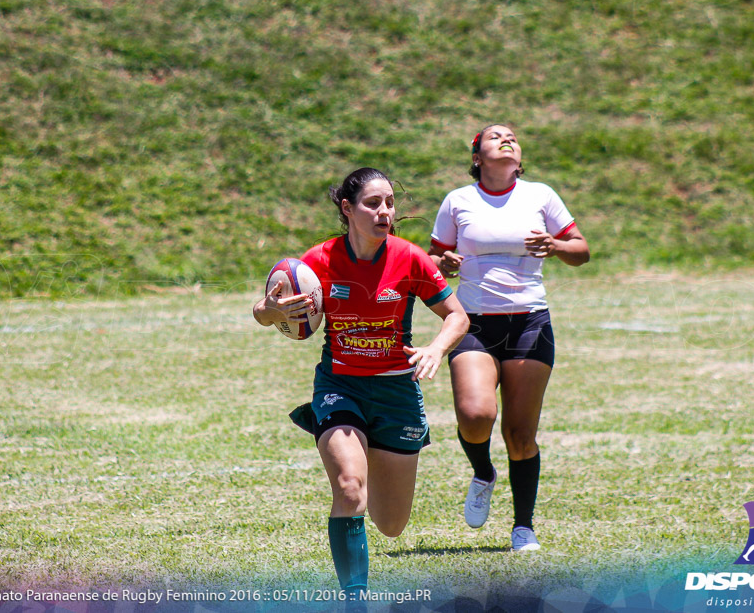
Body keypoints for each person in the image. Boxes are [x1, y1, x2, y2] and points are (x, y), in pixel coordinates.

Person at [253, 167, 469, 600]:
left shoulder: (410, 258)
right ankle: (355, 599)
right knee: (351, 487)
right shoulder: (317, 261)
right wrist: (269, 309)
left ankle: (370, 441)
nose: (384, 211)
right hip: (341, 385)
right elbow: (265, 311)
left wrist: (436, 349)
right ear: (348, 209)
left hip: (396, 392)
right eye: (373, 203)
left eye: (389, 202)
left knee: (391, 524)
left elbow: (458, 317)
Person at [427, 124, 590, 552]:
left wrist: (554, 245)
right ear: (476, 156)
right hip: (474, 323)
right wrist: (442, 260)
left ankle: (523, 528)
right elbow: (430, 261)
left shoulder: (541, 195)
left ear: (519, 156)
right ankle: (483, 472)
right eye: (495, 135)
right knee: (476, 415)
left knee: (520, 435)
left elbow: (582, 250)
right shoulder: (458, 200)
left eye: (512, 136)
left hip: (530, 324)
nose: (506, 139)